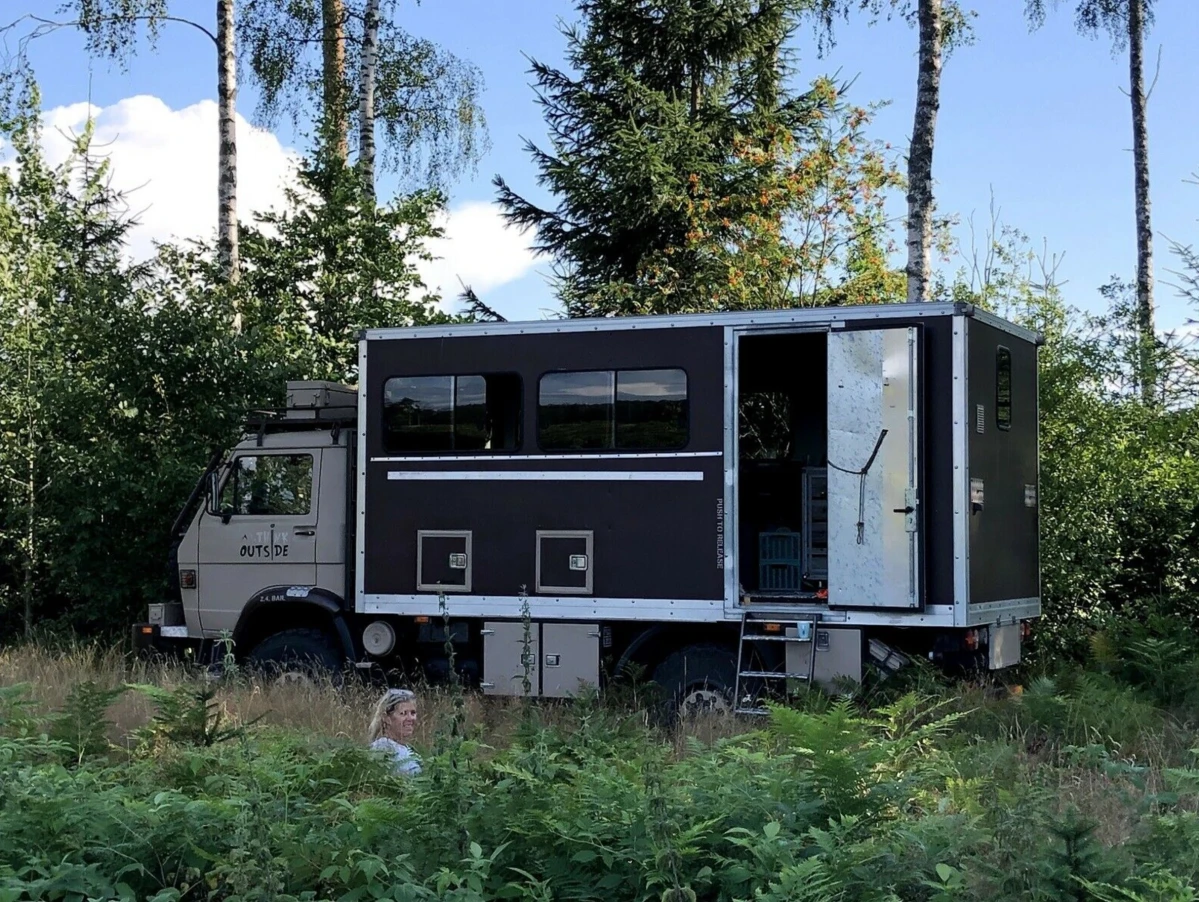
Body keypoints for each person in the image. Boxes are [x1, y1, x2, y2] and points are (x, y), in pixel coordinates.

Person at [367, 688, 422, 775]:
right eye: (403, 713)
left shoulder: (407, 749)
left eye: (413, 713)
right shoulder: (382, 750)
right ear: (387, 718)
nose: (410, 718)